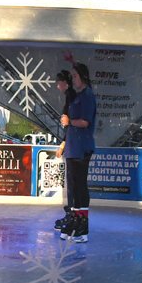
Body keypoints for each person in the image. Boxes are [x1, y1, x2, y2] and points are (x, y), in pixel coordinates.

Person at [59, 64, 97, 243]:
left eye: (75, 76)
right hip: (73, 147)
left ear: (82, 76)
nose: (73, 79)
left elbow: (85, 122)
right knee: (73, 187)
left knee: (80, 187)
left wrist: (69, 121)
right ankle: (76, 221)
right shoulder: (77, 95)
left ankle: (83, 225)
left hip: (82, 148)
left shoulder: (88, 95)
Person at [52, 71, 76, 231]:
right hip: (72, 144)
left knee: (74, 183)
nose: (57, 86)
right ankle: (72, 214)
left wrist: (63, 143)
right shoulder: (71, 96)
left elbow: (71, 124)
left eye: (59, 82)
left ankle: (73, 216)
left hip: (74, 146)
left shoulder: (72, 97)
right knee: (72, 183)